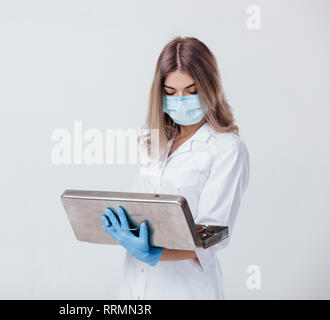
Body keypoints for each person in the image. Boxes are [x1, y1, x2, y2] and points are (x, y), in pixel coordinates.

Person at [101, 36, 250, 299]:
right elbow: (141, 209)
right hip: (135, 287)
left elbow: (212, 237)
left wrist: (153, 253)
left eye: (192, 91)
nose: (180, 100)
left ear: (210, 88)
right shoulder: (153, 141)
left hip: (186, 289)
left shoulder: (227, 149)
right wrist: (126, 229)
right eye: (171, 93)